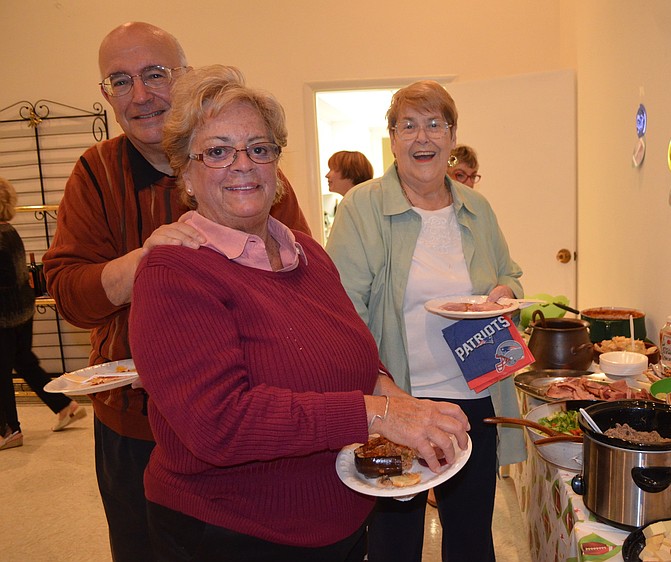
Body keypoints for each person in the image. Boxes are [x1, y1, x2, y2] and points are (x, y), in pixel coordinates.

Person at [128, 64, 469, 560]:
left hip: (338, 522)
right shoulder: (174, 272)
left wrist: (388, 392)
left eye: (259, 148)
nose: (243, 165)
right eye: (218, 151)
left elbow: (351, 350)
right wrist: (378, 414)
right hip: (234, 533)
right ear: (186, 173)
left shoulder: (305, 252)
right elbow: (219, 424)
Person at [41, 22, 311, 562]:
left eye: (155, 74)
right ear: (106, 95)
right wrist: (145, 263)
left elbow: (303, 283)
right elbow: (69, 295)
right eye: (120, 81)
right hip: (134, 423)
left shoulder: (250, 170)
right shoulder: (96, 173)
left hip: (247, 416)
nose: (140, 95)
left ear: (186, 77)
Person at [325, 80, 526, 562]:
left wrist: (506, 295)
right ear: (392, 139)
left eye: (435, 124)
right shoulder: (363, 207)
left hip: (475, 398)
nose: (422, 137)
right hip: (398, 403)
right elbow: (341, 310)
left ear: (452, 136)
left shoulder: (477, 207)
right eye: (408, 126)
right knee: (394, 542)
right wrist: (379, 391)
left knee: (472, 540)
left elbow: (510, 277)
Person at [0, 177, 87, 451]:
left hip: (4, 316)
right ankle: (64, 405)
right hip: (22, 310)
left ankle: (9, 430)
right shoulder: (9, 231)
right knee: (24, 361)